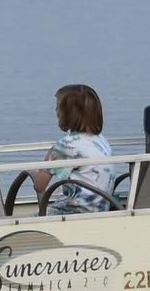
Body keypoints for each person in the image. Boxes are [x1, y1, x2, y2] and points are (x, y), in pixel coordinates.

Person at [29, 84, 119, 214]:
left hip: (75, 211)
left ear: (69, 113)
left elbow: (39, 186)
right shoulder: (100, 139)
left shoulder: (67, 145)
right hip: (100, 208)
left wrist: (50, 154)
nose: (55, 111)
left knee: (27, 223)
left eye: (58, 107)